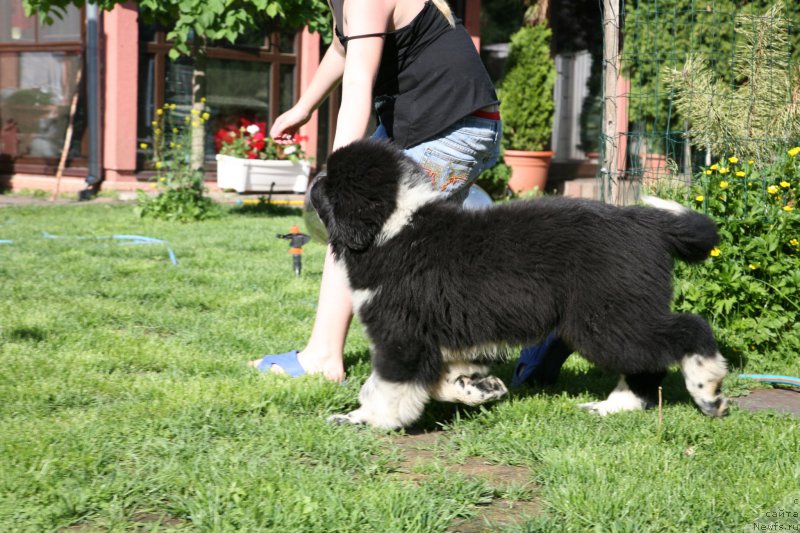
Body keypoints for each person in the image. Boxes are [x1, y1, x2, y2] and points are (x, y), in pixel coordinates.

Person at [249, 0, 502, 381]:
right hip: (429, 122)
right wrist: (303, 107)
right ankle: (464, 355)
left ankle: (325, 357)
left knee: (362, 223)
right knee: (398, 242)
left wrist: (342, 175)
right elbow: (341, 47)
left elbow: (357, 86)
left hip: (452, 127)